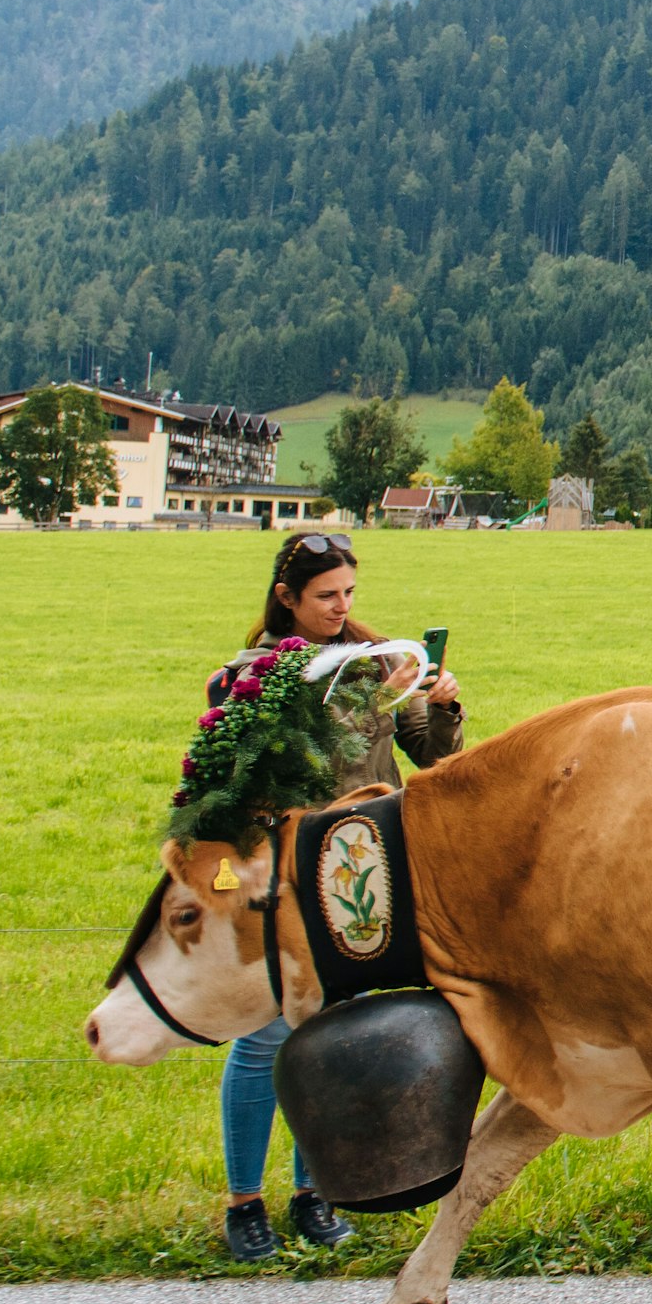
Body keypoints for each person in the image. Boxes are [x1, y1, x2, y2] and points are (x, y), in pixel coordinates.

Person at [203, 530, 465, 1262]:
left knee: (341, 1033)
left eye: (349, 593)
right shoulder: (250, 676)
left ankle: (314, 1192)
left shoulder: (379, 660)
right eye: (326, 596)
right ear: (286, 598)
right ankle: (244, 1204)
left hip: (365, 877)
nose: (341, 607)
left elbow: (436, 758)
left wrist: (441, 702)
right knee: (266, 1038)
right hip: (282, 876)